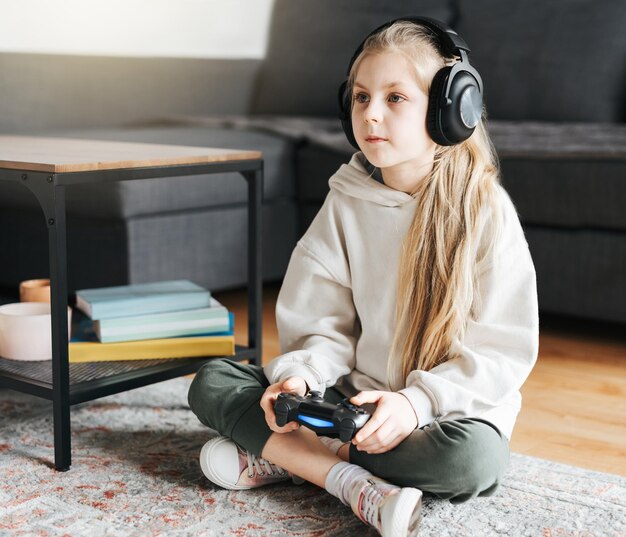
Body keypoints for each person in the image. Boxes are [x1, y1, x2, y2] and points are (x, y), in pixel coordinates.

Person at [188, 17, 538, 537]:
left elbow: (499, 352)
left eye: (395, 98)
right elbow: (322, 323)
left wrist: (414, 404)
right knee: (212, 381)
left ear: (450, 110)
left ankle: (291, 457)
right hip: (350, 403)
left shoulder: (486, 210)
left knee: (471, 462)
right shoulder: (346, 200)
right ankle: (351, 483)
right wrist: (302, 375)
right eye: (360, 97)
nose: (371, 114)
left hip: (441, 412)